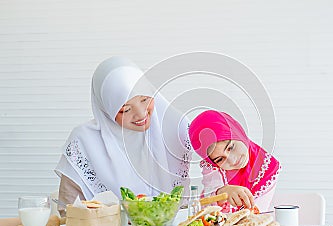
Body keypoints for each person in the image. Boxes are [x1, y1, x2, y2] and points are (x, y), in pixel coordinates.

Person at [55, 57, 191, 213]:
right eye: (126, 110)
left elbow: (219, 160)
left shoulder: (174, 126)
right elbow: (68, 213)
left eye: (145, 99)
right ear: (106, 109)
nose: (141, 114)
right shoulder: (84, 142)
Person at [188, 110, 281, 213]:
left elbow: (257, 215)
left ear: (238, 132)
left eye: (230, 147)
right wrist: (223, 192)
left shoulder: (268, 167)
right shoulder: (212, 168)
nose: (232, 160)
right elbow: (209, 197)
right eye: (220, 159)